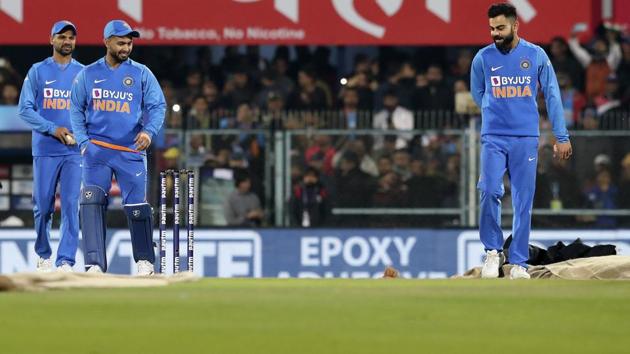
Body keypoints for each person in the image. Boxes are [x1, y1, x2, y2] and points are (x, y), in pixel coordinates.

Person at [470, 3, 572, 279]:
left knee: (523, 200)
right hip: (493, 137)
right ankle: (493, 251)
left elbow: (551, 95)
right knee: (489, 190)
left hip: (526, 137)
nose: (495, 34)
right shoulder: (483, 58)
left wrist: (561, 136)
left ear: (515, 26)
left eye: (500, 28)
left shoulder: (536, 55)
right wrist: (496, 112)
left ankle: (519, 262)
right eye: (492, 28)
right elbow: (477, 93)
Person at [70, 20, 166, 275]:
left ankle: (144, 261)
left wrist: (149, 131)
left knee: (137, 207)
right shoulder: (88, 74)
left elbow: (158, 106)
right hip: (97, 151)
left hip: (130, 151)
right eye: (121, 42)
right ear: (107, 42)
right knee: (91, 203)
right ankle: (93, 264)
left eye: (130, 42)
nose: (126, 47)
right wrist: (82, 142)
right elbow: (76, 109)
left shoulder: (141, 73)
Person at [18, 21, 84, 273]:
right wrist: (53, 129)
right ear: (51, 39)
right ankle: (43, 255)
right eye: (62, 36)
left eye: (71, 37)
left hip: (73, 151)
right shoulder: (37, 71)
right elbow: (25, 109)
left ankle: (65, 260)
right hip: (45, 148)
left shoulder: (84, 73)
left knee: (70, 205)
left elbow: (90, 110)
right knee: (43, 205)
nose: (67, 41)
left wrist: (81, 135)